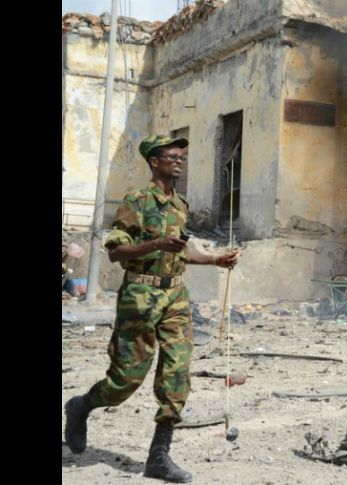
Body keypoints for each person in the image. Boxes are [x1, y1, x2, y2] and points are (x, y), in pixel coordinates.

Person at [64, 135, 240, 483]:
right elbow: (117, 252)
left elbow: (182, 251)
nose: (179, 161)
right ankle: (80, 406)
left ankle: (159, 456)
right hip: (140, 298)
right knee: (124, 381)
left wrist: (215, 260)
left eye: (182, 156)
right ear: (154, 161)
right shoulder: (137, 201)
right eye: (172, 156)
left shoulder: (180, 205)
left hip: (175, 296)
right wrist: (155, 244)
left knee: (178, 372)